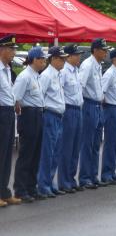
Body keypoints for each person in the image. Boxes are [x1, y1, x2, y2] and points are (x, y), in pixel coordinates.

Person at [13, 46, 47, 203]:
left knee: (36, 154)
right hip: (28, 115)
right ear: (34, 59)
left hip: (38, 113)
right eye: (41, 59)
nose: (44, 62)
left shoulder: (37, 76)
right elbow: (16, 98)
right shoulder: (25, 76)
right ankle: (20, 189)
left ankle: (31, 187)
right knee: (26, 154)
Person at [37, 46, 68, 198]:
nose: (63, 61)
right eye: (61, 59)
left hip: (58, 116)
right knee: (48, 152)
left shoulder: (59, 74)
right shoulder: (47, 75)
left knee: (56, 151)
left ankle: (50, 181)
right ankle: (43, 184)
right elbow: (40, 96)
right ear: (53, 59)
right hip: (50, 115)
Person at [79, 38, 110, 189]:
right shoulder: (88, 65)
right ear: (96, 50)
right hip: (89, 105)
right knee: (88, 143)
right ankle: (85, 177)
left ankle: (93, 174)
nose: (106, 53)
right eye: (103, 50)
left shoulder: (97, 65)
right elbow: (80, 86)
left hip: (98, 106)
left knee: (97, 143)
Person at [58, 44, 84, 193]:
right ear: (68, 56)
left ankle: (71, 179)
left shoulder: (76, 70)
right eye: (76, 54)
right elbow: (59, 92)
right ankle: (64, 181)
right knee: (67, 147)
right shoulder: (64, 72)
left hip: (78, 109)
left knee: (75, 147)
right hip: (68, 110)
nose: (79, 56)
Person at [0, 34, 21, 207]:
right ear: (3, 50)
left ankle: (4, 192)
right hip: (0, 112)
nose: (14, 52)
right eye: (11, 49)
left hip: (8, 112)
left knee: (7, 154)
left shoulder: (7, 70)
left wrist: (15, 103)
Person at [101, 47, 116, 185]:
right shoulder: (109, 74)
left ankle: (112, 171)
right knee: (110, 142)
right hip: (111, 109)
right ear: (114, 59)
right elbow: (102, 93)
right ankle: (106, 173)